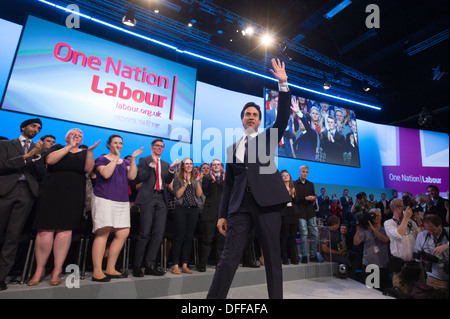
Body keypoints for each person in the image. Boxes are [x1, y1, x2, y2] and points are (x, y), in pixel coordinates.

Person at [207, 58, 291, 299]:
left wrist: (283, 85)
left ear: (259, 120)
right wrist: (222, 214)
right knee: (227, 259)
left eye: (255, 114)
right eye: (247, 114)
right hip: (240, 208)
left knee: (273, 260)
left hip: (268, 205)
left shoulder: (267, 138)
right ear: (242, 119)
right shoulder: (232, 149)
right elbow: (229, 186)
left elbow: (283, 118)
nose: (251, 117)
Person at [29, 128, 99, 286]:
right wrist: (69, 146)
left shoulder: (84, 152)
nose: (78, 136)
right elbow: (50, 161)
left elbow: (88, 169)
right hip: (51, 192)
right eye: (74, 134)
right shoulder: (57, 147)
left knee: (65, 231)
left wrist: (89, 151)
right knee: (45, 230)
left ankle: (57, 270)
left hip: (73, 194)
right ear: (67, 136)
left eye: (80, 135)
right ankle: (39, 270)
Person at [0, 118, 45, 291]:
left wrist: (38, 156)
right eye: (33, 126)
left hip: (27, 193)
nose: (36, 129)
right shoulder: (6, 145)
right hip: (5, 191)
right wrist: (26, 157)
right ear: (23, 127)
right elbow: (2, 165)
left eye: (39, 128)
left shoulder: (38, 150)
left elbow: (41, 173)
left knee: (13, 236)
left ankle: (1, 276)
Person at [90, 135, 143, 281]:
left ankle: (110, 268)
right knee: (103, 233)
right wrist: (115, 158)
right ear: (108, 145)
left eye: (120, 143)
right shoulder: (102, 159)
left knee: (123, 233)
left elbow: (132, 177)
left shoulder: (125, 161)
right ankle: (97, 271)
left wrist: (132, 160)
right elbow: (106, 174)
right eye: (115, 143)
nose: (118, 145)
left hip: (122, 200)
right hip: (104, 198)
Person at [132, 139, 178, 277]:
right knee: (144, 232)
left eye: (162, 147)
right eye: (157, 146)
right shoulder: (144, 160)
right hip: (148, 197)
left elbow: (168, 181)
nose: (159, 148)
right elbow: (142, 176)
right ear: (152, 147)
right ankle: (137, 266)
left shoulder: (165, 164)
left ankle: (150, 264)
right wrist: (152, 165)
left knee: (158, 233)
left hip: (161, 199)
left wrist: (171, 170)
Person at [170, 158, 203, 274]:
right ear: (183, 166)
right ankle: (175, 264)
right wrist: (185, 183)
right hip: (181, 209)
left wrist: (197, 181)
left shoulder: (195, 179)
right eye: (187, 164)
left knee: (189, 237)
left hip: (193, 209)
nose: (189, 166)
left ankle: (185, 264)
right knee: (179, 237)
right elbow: (178, 195)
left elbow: (199, 194)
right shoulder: (177, 178)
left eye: (191, 164)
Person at [384, 198, 420, 293]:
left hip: (414, 265)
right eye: (403, 207)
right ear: (395, 208)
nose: (405, 209)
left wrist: (420, 221)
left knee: (418, 293)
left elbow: (421, 236)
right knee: (400, 293)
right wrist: (406, 218)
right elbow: (398, 234)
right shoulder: (388, 223)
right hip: (399, 267)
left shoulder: (411, 222)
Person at [198, 159, 225, 272]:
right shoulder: (207, 178)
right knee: (207, 239)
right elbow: (206, 193)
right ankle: (202, 264)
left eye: (218, 164)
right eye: (214, 165)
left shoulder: (226, 178)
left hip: (222, 214)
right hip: (209, 213)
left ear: (221, 166)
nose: (216, 166)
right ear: (211, 167)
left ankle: (220, 264)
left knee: (221, 240)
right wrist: (212, 182)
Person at [353, 208, 390, 291]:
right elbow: (356, 242)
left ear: (380, 216)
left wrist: (373, 229)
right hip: (369, 265)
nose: (375, 217)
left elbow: (385, 240)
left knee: (382, 291)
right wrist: (359, 228)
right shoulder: (365, 230)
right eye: (373, 216)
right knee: (371, 292)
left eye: (377, 215)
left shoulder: (385, 229)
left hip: (382, 264)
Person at [414, 214, 448, 294]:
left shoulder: (447, 232)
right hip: (434, 279)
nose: (430, 232)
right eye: (428, 229)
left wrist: (447, 246)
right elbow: (416, 254)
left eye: (432, 230)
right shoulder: (422, 235)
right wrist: (420, 257)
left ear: (440, 225)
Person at [293, 165, 318, 263]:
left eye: (306, 172)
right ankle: (304, 255)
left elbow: (312, 197)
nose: (305, 174)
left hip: (311, 211)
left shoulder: (310, 184)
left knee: (315, 233)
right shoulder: (295, 184)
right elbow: (295, 199)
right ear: (299, 172)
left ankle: (313, 255)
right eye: (303, 171)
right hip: (301, 211)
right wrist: (305, 198)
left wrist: (313, 198)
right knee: (303, 233)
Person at [280, 170, 299, 265]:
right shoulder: (279, 188)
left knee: (293, 236)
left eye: (287, 175)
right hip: (284, 213)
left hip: (293, 213)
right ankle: (284, 257)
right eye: (283, 176)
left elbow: (296, 201)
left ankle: (293, 257)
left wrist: (293, 194)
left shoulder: (293, 188)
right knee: (285, 236)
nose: (286, 177)